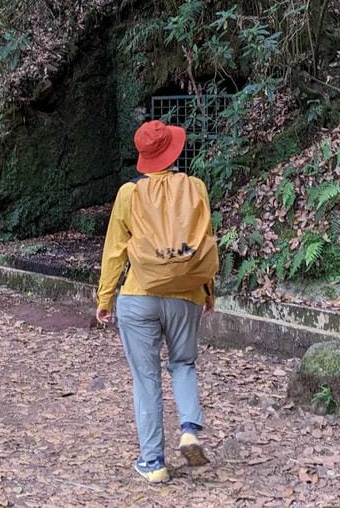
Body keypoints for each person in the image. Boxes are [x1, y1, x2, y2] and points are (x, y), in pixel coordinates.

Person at [96, 119, 218, 484]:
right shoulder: (195, 187)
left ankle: (153, 464)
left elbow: (115, 250)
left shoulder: (129, 194)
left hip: (139, 296)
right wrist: (208, 291)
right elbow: (203, 241)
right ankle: (190, 429)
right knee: (183, 363)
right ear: (174, 151)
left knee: (145, 378)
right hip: (186, 295)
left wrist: (105, 296)